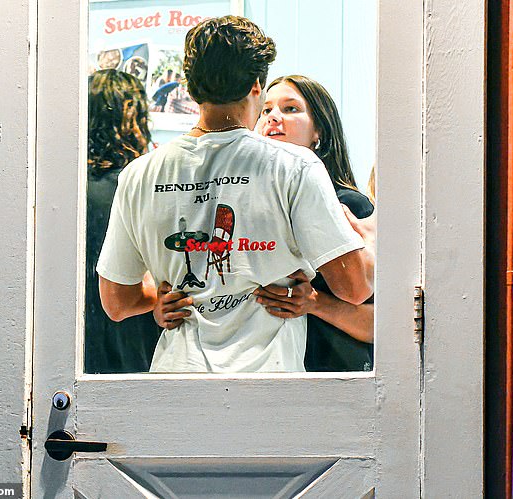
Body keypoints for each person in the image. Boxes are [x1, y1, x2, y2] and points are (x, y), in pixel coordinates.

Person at [97, 16, 374, 373]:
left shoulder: (140, 174)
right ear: (256, 85)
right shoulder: (294, 166)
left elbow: (118, 302)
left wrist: (164, 298)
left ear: (191, 88)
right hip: (268, 385)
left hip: (175, 382)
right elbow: (353, 288)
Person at [253, 75, 375, 371]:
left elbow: (382, 323)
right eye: (265, 110)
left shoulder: (349, 204)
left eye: (290, 109)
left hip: (332, 372)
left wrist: (315, 303)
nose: (273, 118)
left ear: (318, 130)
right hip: (262, 370)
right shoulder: (249, 203)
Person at [85, 69, 161, 373]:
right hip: (136, 335)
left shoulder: (66, 190)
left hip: (80, 339)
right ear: (137, 119)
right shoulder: (144, 186)